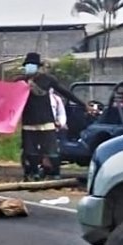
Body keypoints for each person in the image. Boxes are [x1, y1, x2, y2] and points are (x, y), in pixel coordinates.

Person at [14, 53, 79, 181]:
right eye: (27, 65)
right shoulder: (19, 82)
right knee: (30, 150)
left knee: (51, 150)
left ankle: (55, 174)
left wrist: (82, 104)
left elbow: (65, 93)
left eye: (31, 65)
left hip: (46, 120)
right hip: (29, 121)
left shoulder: (48, 80)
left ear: (38, 67)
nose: (29, 67)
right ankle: (34, 173)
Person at [47, 88, 68, 179]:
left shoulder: (56, 99)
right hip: (37, 127)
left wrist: (60, 123)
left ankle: (55, 173)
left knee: (53, 151)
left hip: (53, 128)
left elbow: (61, 113)